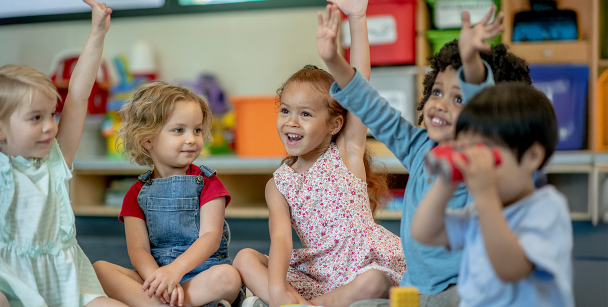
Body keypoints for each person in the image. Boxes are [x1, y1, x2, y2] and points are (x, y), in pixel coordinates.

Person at [320, 5, 531, 306]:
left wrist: (471, 61)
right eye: (437, 92)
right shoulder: (420, 147)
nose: (440, 104)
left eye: (459, 97)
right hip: (416, 293)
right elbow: (371, 107)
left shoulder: (483, 156)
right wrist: (333, 60)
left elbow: (482, 106)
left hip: (464, 290)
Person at [0, 1, 126, 306]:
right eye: (36, 118)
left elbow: (79, 95)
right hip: (1, 273)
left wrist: (97, 31)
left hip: (61, 279)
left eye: (51, 115)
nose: (50, 126)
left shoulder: (57, 159)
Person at [233, 2, 406, 307]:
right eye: (285, 110)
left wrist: (357, 17)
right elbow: (281, 240)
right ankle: (287, 302)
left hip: (361, 270)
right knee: (245, 258)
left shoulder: (346, 151)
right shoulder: (279, 185)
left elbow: (361, 84)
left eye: (305, 114)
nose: (291, 121)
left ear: (334, 124)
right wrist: (277, 290)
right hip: (317, 278)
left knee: (374, 282)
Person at [412, 82, 573, 307]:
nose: (475, 165)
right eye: (467, 151)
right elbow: (423, 232)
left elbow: (511, 269)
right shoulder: (477, 214)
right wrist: (448, 180)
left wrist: (485, 196)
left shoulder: (547, 209)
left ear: (532, 156)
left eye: (487, 155)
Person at [92, 82, 243, 307]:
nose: (191, 139)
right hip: (158, 278)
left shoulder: (209, 182)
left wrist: (175, 271)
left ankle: (156, 304)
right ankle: (165, 303)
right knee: (99, 270)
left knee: (229, 277)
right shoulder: (136, 193)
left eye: (197, 130)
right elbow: (138, 249)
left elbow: (210, 239)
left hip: (201, 276)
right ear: (147, 140)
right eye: (178, 130)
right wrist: (159, 279)